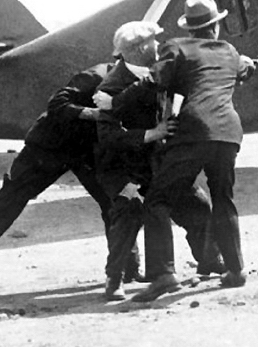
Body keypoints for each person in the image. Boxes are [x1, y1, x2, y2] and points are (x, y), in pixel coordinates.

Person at [133, 0, 258, 302]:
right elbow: (244, 69)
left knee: (157, 201)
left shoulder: (177, 47)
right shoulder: (230, 52)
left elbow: (159, 79)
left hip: (193, 132)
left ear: (190, 28)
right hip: (228, 133)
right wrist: (248, 66)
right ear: (215, 27)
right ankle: (235, 269)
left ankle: (164, 275)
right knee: (223, 199)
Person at [93, 20, 223, 300]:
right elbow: (108, 137)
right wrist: (155, 133)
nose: (159, 45)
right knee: (129, 211)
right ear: (141, 48)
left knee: (195, 202)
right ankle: (113, 279)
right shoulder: (111, 87)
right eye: (154, 41)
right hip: (121, 167)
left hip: (155, 162)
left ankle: (210, 259)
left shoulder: (156, 71)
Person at [0, 62, 116, 278]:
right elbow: (57, 105)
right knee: (11, 197)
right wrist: (93, 114)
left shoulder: (135, 81)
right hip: (49, 148)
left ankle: (125, 268)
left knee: (115, 203)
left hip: (86, 151)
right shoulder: (96, 76)